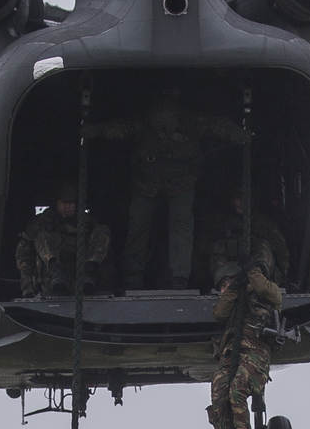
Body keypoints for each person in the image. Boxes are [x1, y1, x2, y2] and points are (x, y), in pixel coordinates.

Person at [86, 88, 245, 289]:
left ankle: (178, 277)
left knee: (179, 228)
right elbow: (120, 128)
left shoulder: (191, 122)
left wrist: (238, 134)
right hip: (146, 184)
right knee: (139, 228)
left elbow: (216, 126)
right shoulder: (145, 122)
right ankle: (134, 278)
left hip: (181, 183)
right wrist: (94, 130)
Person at [204, 259, 283, 429]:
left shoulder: (264, 296)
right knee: (219, 394)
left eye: (225, 284)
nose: (223, 290)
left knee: (237, 390)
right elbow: (219, 312)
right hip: (231, 356)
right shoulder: (232, 304)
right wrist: (233, 289)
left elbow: (271, 293)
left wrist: (252, 273)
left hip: (255, 353)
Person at [15, 185, 110, 297]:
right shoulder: (42, 223)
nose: (68, 207)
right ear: (57, 203)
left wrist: (91, 266)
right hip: (50, 279)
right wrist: (27, 287)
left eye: (71, 203)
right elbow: (24, 256)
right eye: (64, 203)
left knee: (102, 231)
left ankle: (88, 272)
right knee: (42, 235)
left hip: (84, 278)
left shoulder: (89, 223)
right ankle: (56, 271)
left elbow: (103, 247)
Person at [205, 190, 290, 292]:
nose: (241, 202)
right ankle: (227, 283)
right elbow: (208, 251)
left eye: (245, 198)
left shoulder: (264, 224)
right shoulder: (223, 223)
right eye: (238, 198)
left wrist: (282, 275)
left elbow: (281, 251)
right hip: (230, 271)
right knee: (219, 246)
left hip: (261, 272)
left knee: (263, 246)